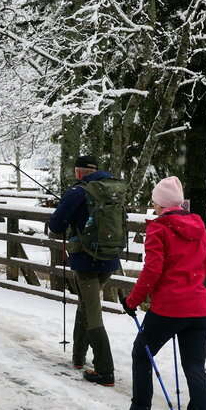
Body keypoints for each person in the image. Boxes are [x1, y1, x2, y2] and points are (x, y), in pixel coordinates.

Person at [121, 176, 206, 410]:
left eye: (154, 202)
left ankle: (140, 407)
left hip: (169, 309)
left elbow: (152, 270)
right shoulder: (199, 226)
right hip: (200, 309)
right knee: (194, 366)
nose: (154, 206)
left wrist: (132, 301)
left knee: (142, 353)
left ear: (161, 205)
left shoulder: (158, 228)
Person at [48, 155, 122, 386]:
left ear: (79, 172)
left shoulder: (77, 192)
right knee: (86, 303)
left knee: (92, 312)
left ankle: (105, 370)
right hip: (110, 259)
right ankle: (78, 357)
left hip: (86, 261)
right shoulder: (114, 189)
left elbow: (56, 225)